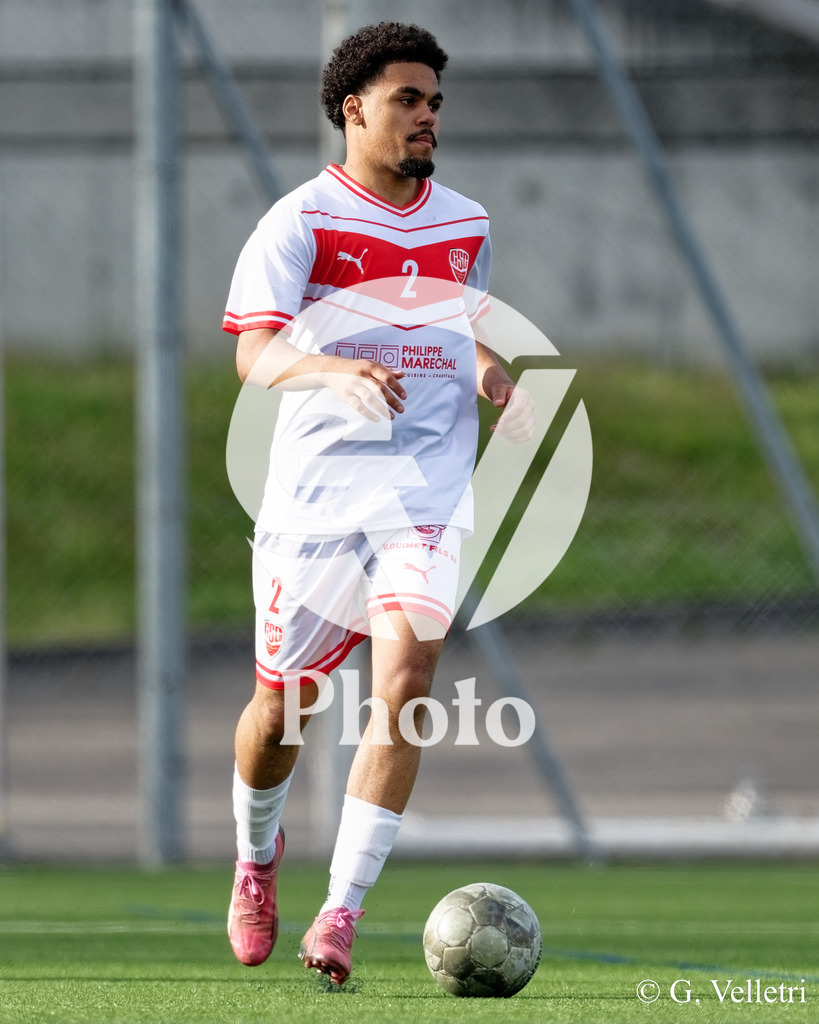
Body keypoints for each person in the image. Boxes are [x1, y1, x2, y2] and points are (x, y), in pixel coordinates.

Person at [221, 21, 528, 986]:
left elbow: (454, 322)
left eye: (435, 101)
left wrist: (487, 371)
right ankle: (256, 860)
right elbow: (253, 353)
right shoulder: (298, 222)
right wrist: (329, 367)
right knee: (283, 711)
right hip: (317, 501)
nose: (428, 116)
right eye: (408, 99)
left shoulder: (465, 221)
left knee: (406, 686)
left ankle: (340, 915)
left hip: (425, 490)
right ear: (353, 107)